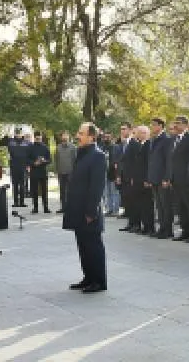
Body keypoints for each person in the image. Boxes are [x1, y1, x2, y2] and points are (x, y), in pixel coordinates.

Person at [64, 122, 108, 293]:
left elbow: (97, 186)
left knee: (93, 246)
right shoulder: (82, 154)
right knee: (82, 245)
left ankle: (99, 281)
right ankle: (88, 277)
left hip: (89, 210)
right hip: (77, 207)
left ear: (91, 136)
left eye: (81, 133)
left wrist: (91, 211)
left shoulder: (98, 156)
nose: (77, 136)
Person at [168, 116, 189, 242]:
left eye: (178, 123)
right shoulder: (175, 139)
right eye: (175, 123)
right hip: (175, 179)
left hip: (186, 179)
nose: (176, 126)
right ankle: (185, 231)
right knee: (181, 207)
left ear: (186, 125)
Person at [146, 118, 173, 239]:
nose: (152, 127)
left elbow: (168, 160)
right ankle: (162, 228)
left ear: (161, 126)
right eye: (151, 125)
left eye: (154, 125)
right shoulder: (154, 139)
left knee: (165, 205)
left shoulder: (166, 139)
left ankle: (167, 230)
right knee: (159, 205)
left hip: (162, 178)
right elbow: (151, 161)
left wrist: (166, 178)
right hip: (154, 177)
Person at [28, 132, 52, 213]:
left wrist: (44, 161)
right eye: (37, 138)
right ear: (34, 138)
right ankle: (35, 208)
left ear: (41, 138)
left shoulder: (45, 147)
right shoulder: (30, 147)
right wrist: (33, 163)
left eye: (40, 138)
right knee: (34, 190)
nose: (38, 140)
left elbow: (49, 160)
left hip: (43, 171)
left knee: (44, 190)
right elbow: (27, 159)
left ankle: (45, 207)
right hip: (34, 171)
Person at [55, 131, 77, 213]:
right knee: (62, 191)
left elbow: (75, 160)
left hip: (70, 172)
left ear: (68, 137)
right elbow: (56, 159)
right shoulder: (58, 147)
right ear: (61, 137)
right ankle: (63, 207)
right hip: (61, 172)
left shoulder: (73, 147)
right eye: (63, 136)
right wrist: (56, 170)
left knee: (70, 191)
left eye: (66, 136)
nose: (64, 137)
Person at [7, 128, 30, 207]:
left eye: (19, 133)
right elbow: (2, 144)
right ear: (14, 133)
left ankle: (22, 202)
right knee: (15, 185)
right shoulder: (11, 142)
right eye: (16, 133)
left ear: (22, 134)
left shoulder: (27, 143)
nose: (18, 134)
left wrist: (28, 165)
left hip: (23, 166)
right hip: (14, 166)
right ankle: (16, 202)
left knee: (23, 185)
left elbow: (29, 154)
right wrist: (8, 136)